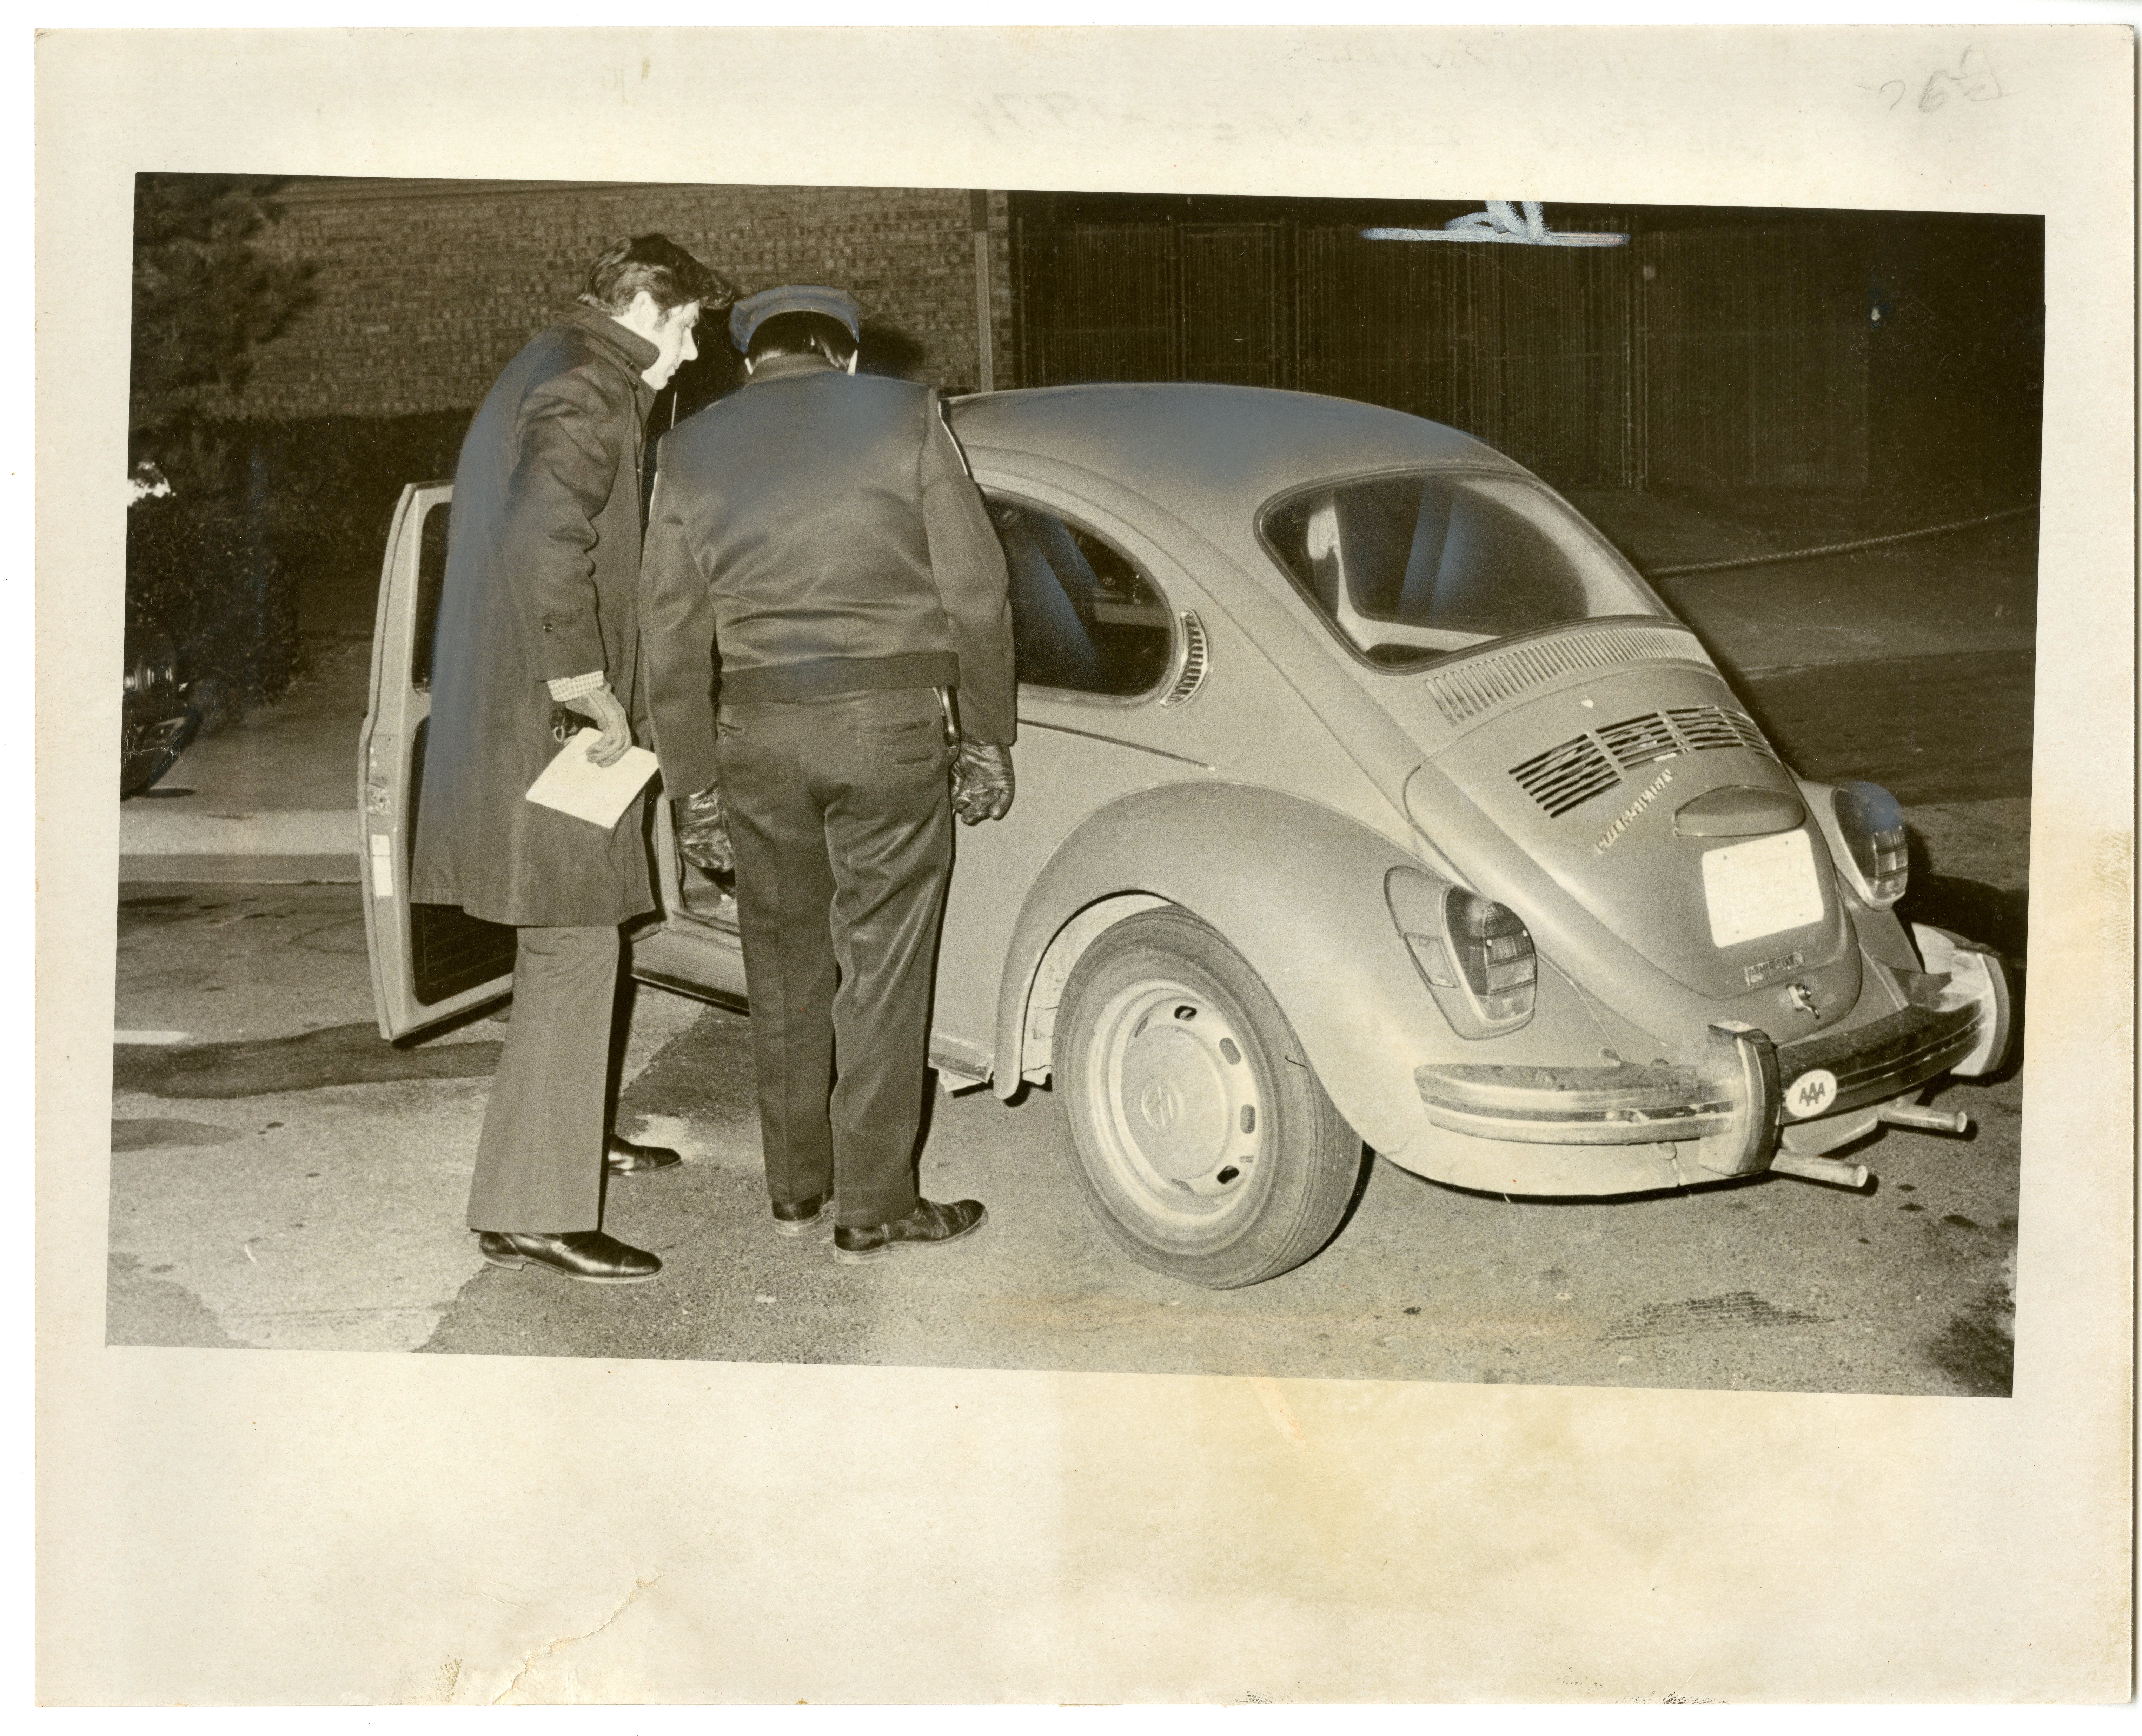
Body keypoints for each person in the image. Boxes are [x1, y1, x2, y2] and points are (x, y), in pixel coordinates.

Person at [641, 284, 1017, 1265]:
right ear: (844, 355)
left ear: (752, 357)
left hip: (757, 735)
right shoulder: (906, 413)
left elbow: (670, 636)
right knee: (883, 967)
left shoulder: (688, 449)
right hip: (887, 729)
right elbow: (978, 593)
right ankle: (875, 1202)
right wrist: (986, 734)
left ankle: (796, 1190)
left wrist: (694, 788)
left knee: (781, 961)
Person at [412, 234, 735, 1286]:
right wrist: (579, 680)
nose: (690, 355)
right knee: (576, 948)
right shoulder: (592, 385)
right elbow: (546, 534)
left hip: (510, 721)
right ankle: (533, 1207)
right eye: (687, 328)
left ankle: (564, 1145)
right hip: (542, 728)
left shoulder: (550, 360)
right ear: (647, 304)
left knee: (579, 946)